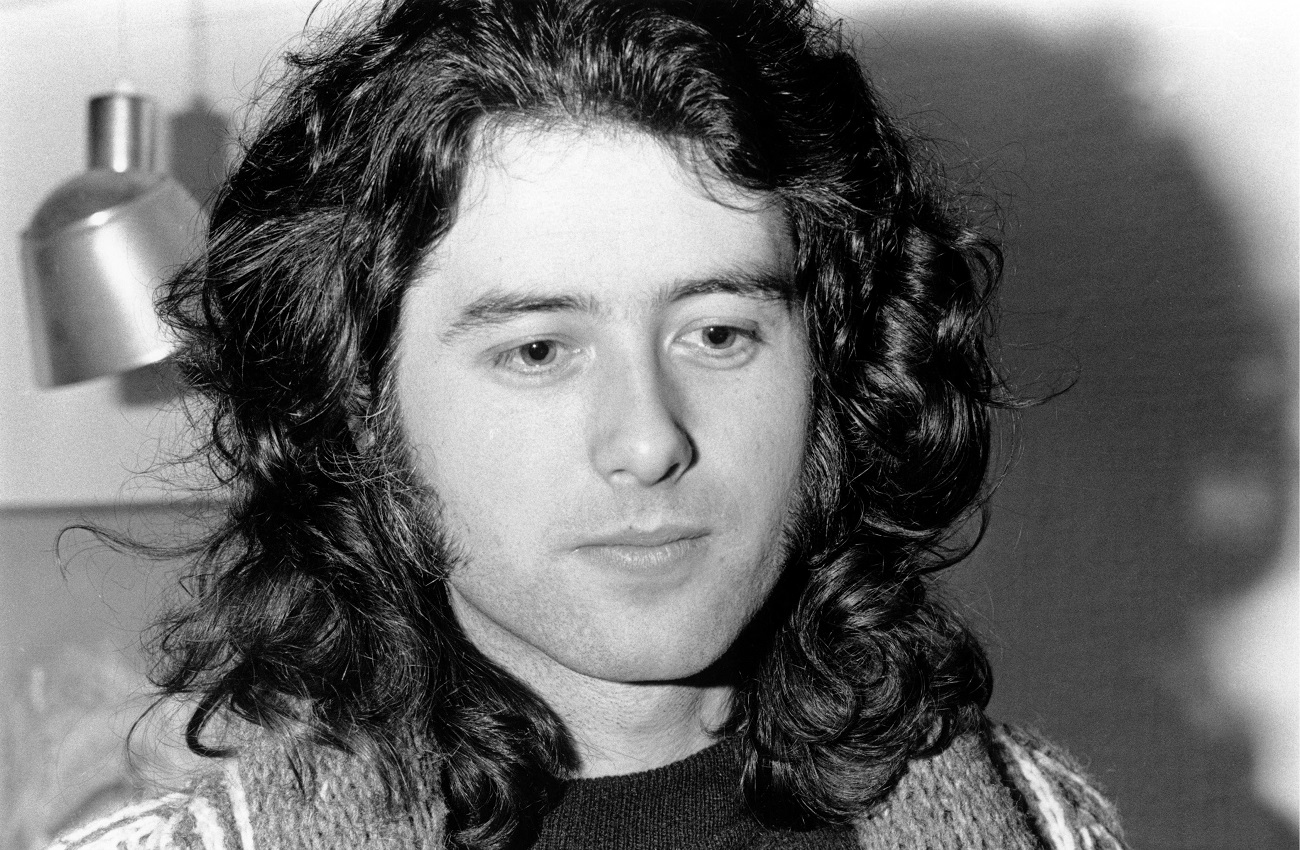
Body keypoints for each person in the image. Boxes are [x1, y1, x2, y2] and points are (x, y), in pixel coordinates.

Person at [49, 1, 1128, 848]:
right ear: (360, 414)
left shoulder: (1046, 822)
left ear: (836, 372)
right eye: (538, 351)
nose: (649, 440)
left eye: (718, 334)